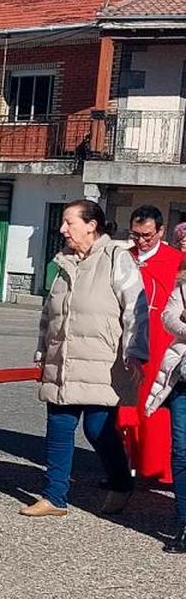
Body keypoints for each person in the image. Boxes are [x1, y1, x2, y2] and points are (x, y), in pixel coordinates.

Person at [24, 199, 148, 518]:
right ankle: (54, 497)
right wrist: (42, 350)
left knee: (98, 429)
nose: (63, 228)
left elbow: (136, 308)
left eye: (70, 222)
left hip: (101, 362)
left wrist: (135, 352)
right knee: (59, 425)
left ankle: (121, 484)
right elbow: (48, 314)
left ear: (91, 225)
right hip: (63, 359)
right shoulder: (63, 262)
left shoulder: (116, 258)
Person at [117, 205, 179, 483]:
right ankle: (124, 466)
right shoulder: (123, 258)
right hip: (127, 339)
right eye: (135, 235)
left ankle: (158, 469)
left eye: (147, 236)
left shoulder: (177, 260)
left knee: (156, 405)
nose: (141, 242)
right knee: (124, 404)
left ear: (161, 232)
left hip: (161, 342)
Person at [144, 261, 186, 552]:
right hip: (183, 378)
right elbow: (168, 317)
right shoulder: (183, 286)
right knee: (182, 450)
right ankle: (184, 521)